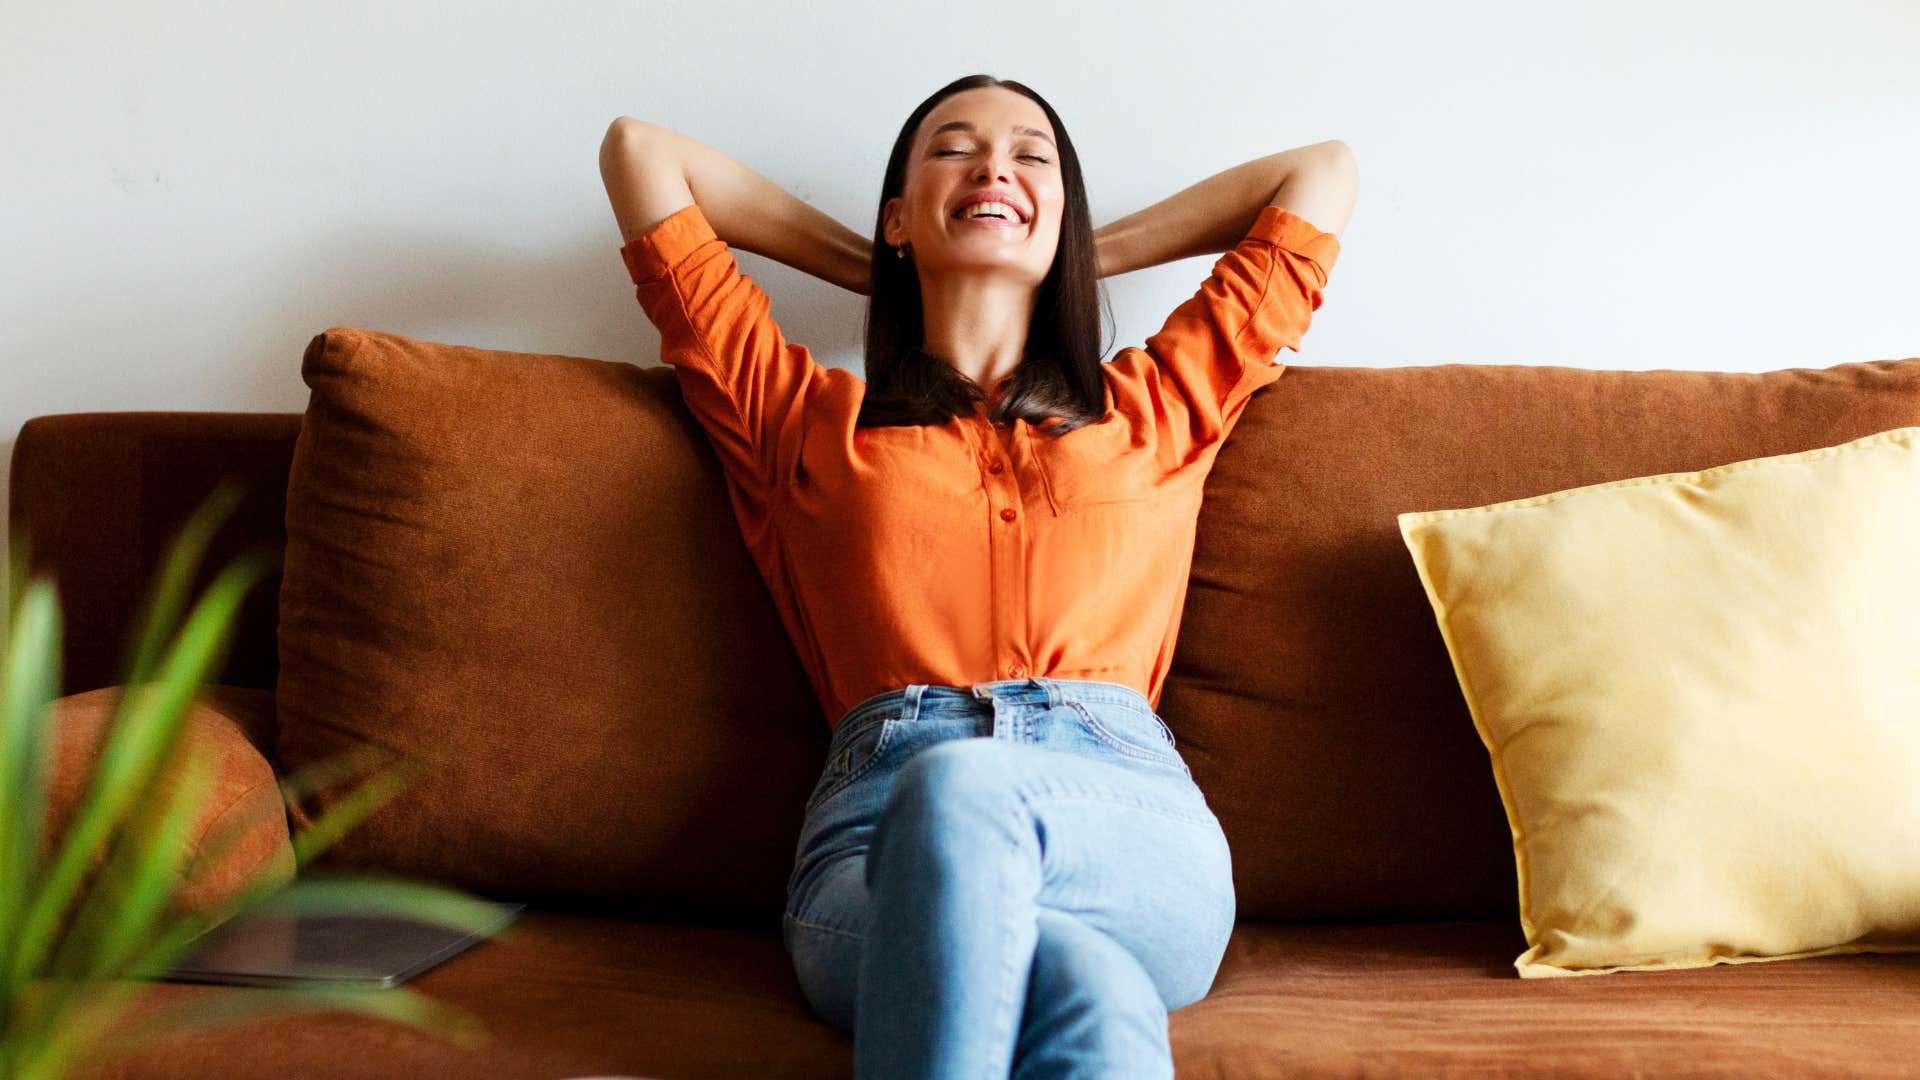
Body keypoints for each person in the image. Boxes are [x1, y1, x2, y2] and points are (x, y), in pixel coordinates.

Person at [599, 73, 1357, 1079]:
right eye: (954, 149)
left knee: (973, 794)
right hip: (879, 845)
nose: (995, 165)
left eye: (1031, 157)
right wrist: (892, 261)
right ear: (899, 212)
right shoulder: (800, 419)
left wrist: (1069, 251)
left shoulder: (1157, 407)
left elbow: (1323, 173)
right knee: (1090, 994)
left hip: (1126, 829)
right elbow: (642, 154)